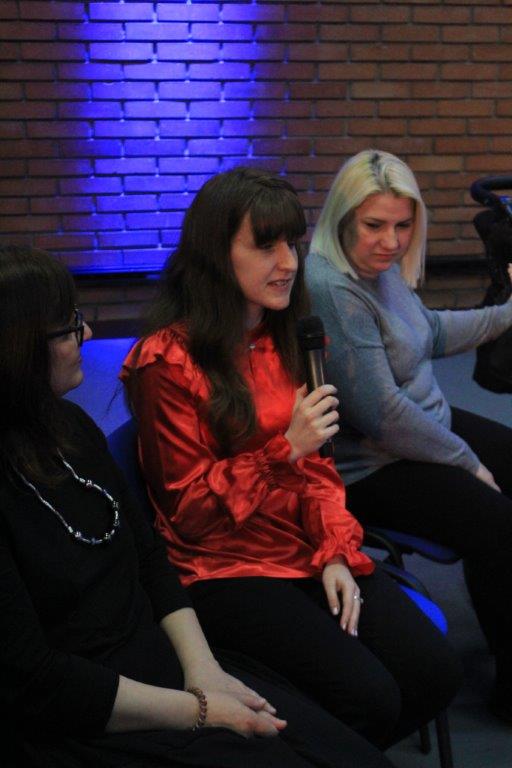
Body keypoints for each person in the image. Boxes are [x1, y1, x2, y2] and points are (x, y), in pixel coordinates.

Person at [0, 244, 404, 768]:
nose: (88, 334)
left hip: (163, 659)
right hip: (90, 711)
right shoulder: (165, 364)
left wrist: (205, 671)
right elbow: (38, 681)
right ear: (18, 348)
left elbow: (150, 560)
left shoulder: (69, 425)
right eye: (69, 327)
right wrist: (199, 710)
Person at [121, 167, 461, 751]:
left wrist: (335, 551)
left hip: (303, 546)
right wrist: (284, 451)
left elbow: (321, 471)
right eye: (265, 246)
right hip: (225, 569)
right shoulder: (168, 361)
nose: (288, 262)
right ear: (215, 255)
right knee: (370, 698)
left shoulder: (291, 339)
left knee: (434, 673)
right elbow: (189, 514)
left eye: (292, 243)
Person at [305, 148, 512, 721]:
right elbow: (382, 415)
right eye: (375, 225)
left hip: (424, 428)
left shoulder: (381, 269)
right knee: (497, 524)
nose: (391, 242)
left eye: (402, 226)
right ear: (342, 219)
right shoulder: (332, 287)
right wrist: (465, 460)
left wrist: (507, 314)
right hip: (372, 466)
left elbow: (430, 332)